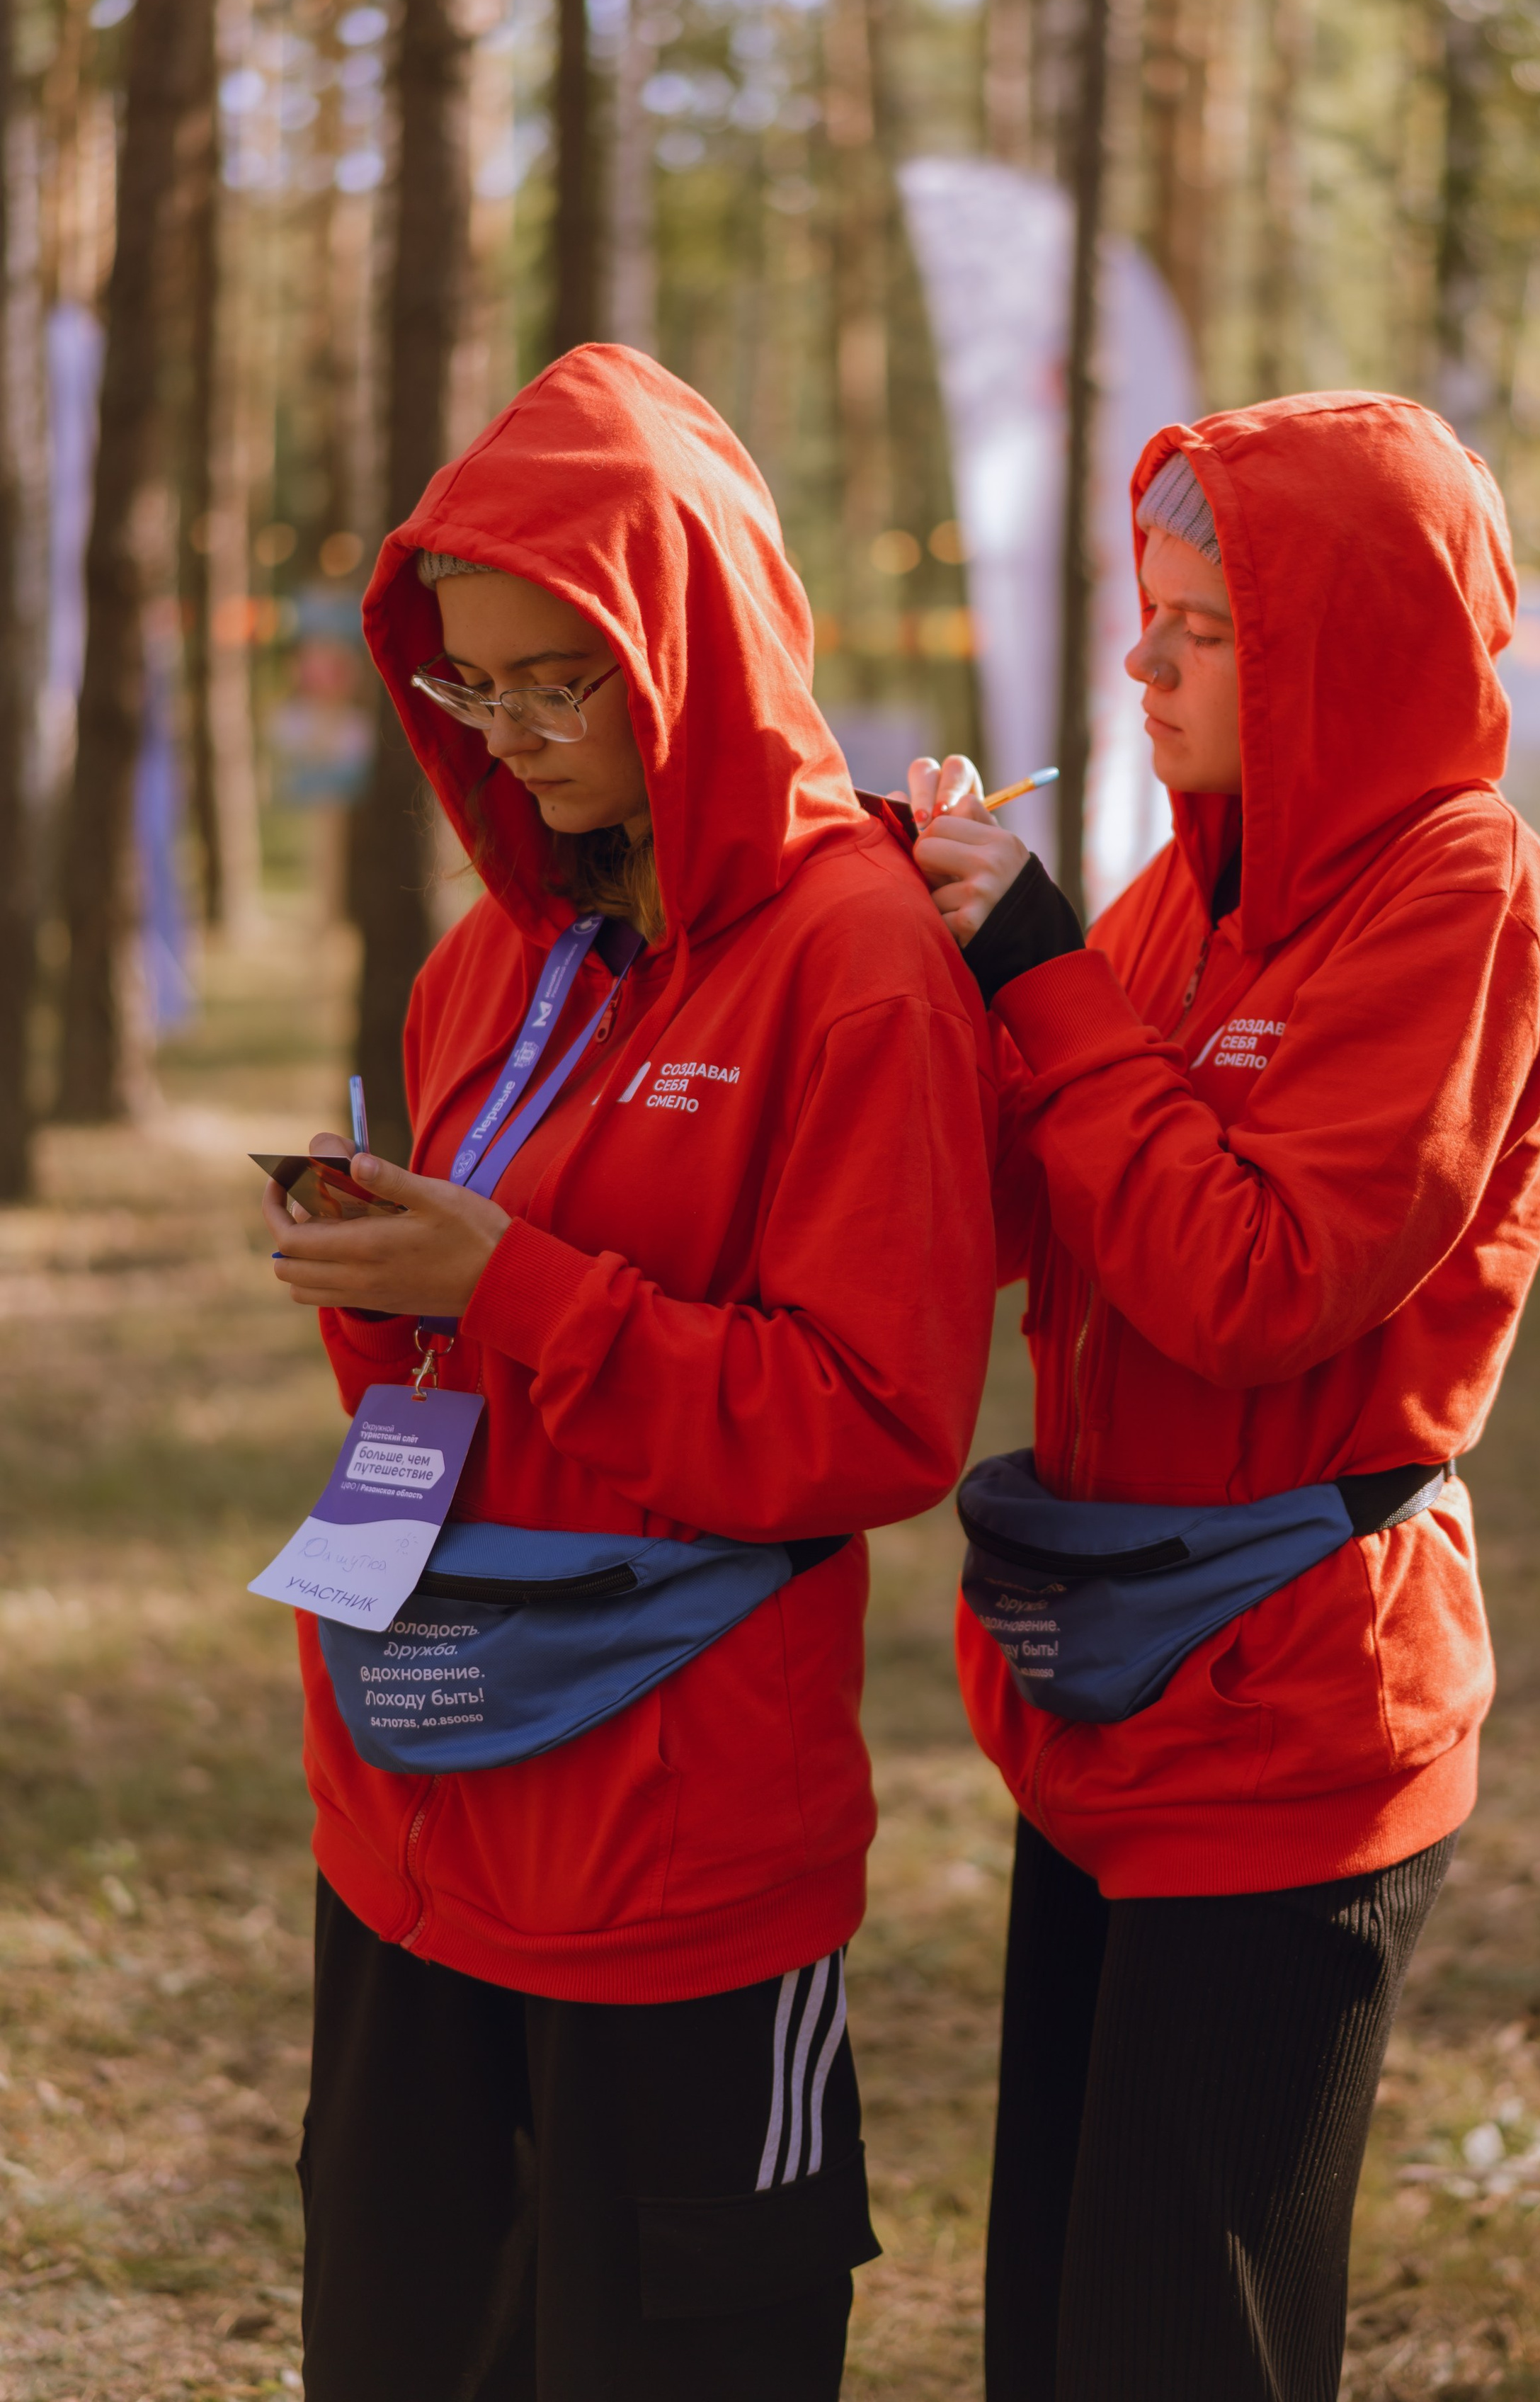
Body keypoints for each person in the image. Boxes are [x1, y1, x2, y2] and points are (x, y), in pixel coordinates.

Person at [259, 345, 996, 2401]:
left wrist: (515, 1289)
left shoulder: (855, 963)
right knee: (405, 2347)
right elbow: (433, 1399)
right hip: (412, 1806)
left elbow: (877, 1422)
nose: (512, 736)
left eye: (558, 682)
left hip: (678, 1854)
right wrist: (374, 1277)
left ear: (687, 645)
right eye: (469, 685)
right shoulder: (491, 947)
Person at [907, 393, 1540, 2402]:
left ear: (1340, 650)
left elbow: (1250, 1287)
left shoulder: (1467, 896)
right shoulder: (1176, 899)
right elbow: (1038, 1220)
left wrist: (1040, 976)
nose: (1145, 664)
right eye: (1148, 615)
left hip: (1297, 1714)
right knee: (1057, 2315)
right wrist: (927, 972)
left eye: (1201, 628)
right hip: (1115, 1691)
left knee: (1180, 2337)